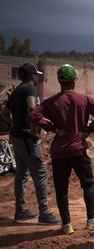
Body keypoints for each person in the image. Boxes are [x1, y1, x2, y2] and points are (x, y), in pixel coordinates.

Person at [29, 64, 94, 235]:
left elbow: (33, 115)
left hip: (59, 151)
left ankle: (66, 225)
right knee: (87, 184)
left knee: (61, 188)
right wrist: (88, 130)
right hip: (78, 149)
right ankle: (91, 220)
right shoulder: (85, 100)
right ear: (74, 81)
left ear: (59, 81)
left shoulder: (50, 102)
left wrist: (50, 127)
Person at [0, 62, 61, 224]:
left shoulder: (16, 90)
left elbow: (4, 113)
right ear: (31, 76)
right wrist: (33, 130)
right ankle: (44, 213)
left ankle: (20, 211)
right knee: (41, 173)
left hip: (16, 137)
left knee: (21, 174)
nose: (36, 78)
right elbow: (32, 109)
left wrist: (14, 124)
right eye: (35, 75)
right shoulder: (29, 89)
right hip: (27, 139)